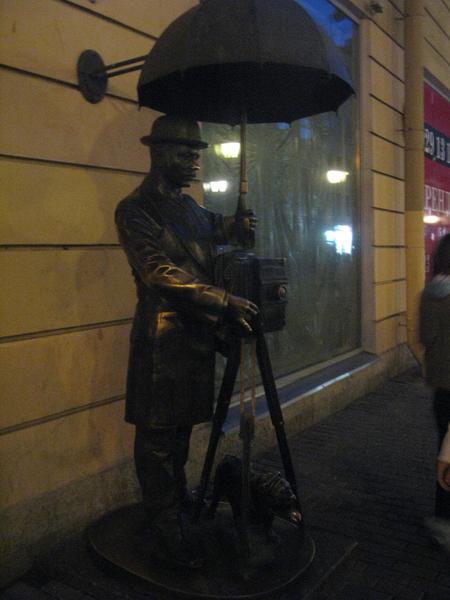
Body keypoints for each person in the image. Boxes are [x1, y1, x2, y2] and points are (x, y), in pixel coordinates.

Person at [115, 115, 257, 568]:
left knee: (180, 431)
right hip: (161, 340)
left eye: (197, 153)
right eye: (185, 152)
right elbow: (158, 272)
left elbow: (218, 230)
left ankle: (175, 501)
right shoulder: (135, 209)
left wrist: (238, 225)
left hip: (196, 336)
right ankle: (163, 521)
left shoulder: (192, 208)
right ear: (158, 153)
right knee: (157, 435)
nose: (195, 161)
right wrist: (223, 300)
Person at [420, 233, 450, 521]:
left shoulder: (429, 294)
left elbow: (425, 337)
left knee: (445, 448)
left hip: (442, 386)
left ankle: (443, 513)